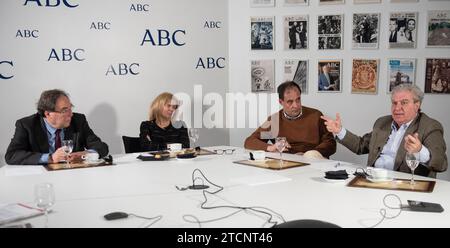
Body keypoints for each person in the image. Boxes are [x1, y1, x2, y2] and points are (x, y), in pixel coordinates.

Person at [321, 84, 447, 177]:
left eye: (404, 103)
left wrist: (420, 151)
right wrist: (339, 131)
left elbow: (441, 163)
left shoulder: (430, 126)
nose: (397, 108)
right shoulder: (383, 123)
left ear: (417, 105)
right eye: (394, 103)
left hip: (405, 184)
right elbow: (360, 146)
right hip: (373, 179)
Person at [5, 89, 109, 165]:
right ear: (48, 114)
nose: (70, 114)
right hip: (41, 178)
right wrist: (50, 158)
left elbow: (102, 147)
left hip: (74, 177)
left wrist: (86, 154)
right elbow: (12, 155)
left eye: (70, 108)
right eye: (64, 110)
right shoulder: (27, 125)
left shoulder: (78, 120)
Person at [244, 81, 336, 158]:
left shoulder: (315, 116)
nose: (295, 105)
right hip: (287, 162)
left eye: (298, 100)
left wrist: (311, 153)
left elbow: (330, 143)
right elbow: (249, 141)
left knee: (311, 155)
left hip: (313, 159)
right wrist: (270, 147)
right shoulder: (275, 120)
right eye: (290, 102)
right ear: (281, 102)